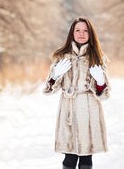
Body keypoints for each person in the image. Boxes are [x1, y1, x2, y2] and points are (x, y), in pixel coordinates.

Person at [43, 17, 110, 169]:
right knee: (69, 156)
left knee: (87, 157)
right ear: (72, 33)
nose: (81, 34)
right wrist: (55, 75)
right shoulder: (62, 56)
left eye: (85, 30)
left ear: (90, 33)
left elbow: (104, 94)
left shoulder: (98, 57)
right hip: (69, 111)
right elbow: (48, 89)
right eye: (78, 30)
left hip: (89, 110)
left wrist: (100, 82)